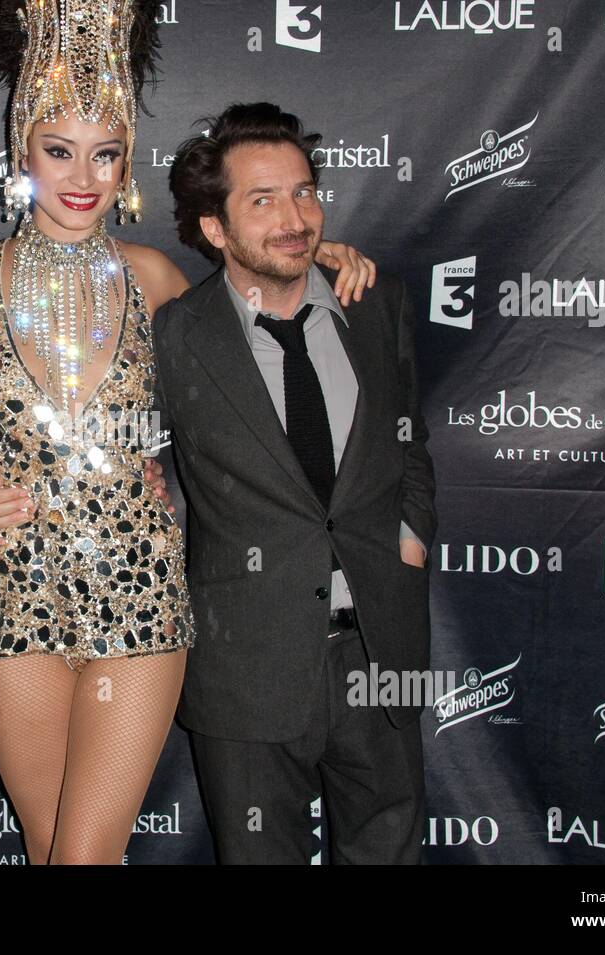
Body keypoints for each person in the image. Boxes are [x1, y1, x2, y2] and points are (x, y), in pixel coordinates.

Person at [0, 1, 376, 865]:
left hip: (140, 595)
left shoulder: (157, 276)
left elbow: (255, 302)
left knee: (86, 854)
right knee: (53, 843)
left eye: (106, 153)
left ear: (128, 160)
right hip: (10, 595)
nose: (82, 176)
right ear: (24, 152)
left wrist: (316, 253)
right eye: (60, 151)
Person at [157, 101, 436, 864]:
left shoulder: (376, 302)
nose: (295, 216)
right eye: (264, 199)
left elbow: (409, 442)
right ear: (214, 229)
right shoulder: (174, 334)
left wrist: (410, 544)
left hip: (382, 651)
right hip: (246, 664)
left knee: (391, 851)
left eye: (304, 192)